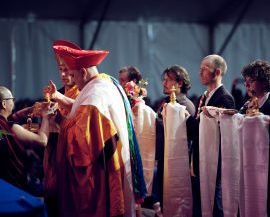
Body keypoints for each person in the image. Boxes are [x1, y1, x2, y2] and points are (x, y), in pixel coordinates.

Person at [44, 40, 146, 217]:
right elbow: (80, 110)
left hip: (98, 175)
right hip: (109, 162)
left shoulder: (94, 97)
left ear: (83, 72)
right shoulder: (104, 83)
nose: (73, 81)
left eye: (74, 76)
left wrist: (57, 120)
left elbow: (81, 144)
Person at [187, 54, 235, 217]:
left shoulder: (225, 97)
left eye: (204, 69)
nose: (200, 73)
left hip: (215, 162)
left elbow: (225, 135)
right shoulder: (204, 96)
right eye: (200, 69)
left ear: (217, 72)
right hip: (200, 157)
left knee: (215, 207)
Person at [238, 59, 270, 216]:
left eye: (251, 81)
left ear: (264, 82)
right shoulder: (246, 105)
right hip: (246, 163)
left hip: (265, 168)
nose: (247, 85)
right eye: (246, 81)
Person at [43, 40, 80, 217]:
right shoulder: (57, 91)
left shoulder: (83, 92)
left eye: (67, 69)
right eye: (61, 70)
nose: (64, 74)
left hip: (73, 151)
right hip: (55, 146)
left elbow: (81, 117)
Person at [152, 64, 195, 214]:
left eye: (168, 80)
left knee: (175, 202)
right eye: (164, 80)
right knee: (164, 201)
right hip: (164, 158)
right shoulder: (166, 102)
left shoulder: (185, 106)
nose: (164, 83)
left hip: (176, 162)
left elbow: (188, 136)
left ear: (180, 83)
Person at [0, 86, 50, 193]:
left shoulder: (4, 125)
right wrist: (46, 116)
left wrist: (19, 114)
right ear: (4, 104)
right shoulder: (12, 128)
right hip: (12, 184)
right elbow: (42, 141)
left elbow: (5, 123)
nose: (13, 102)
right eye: (12, 100)